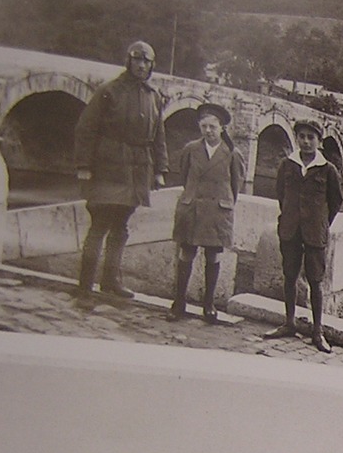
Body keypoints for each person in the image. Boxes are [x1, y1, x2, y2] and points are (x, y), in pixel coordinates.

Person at [73, 40, 167, 300]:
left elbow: (159, 135)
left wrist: (160, 169)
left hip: (137, 170)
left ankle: (111, 281)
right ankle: (85, 283)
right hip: (108, 167)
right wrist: (84, 166)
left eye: (147, 62)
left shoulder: (153, 96)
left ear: (151, 66)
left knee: (121, 226)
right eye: (137, 60)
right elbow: (86, 129)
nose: (141, 66)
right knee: (99, 224)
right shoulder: (109, 91)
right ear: (129, 62)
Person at [265, 118, 342, 353]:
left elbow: (335, 201)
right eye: (302, 137)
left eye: (311, 138)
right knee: (289, 276)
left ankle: (317, 331)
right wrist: (290, 217)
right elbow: (281, 194)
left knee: (315, 281)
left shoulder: (328, 170)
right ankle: (289, 323)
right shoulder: (287, 165)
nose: (306, 142)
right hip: (290, 230)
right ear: (296, 139)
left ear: (319, 141)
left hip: (314, 234)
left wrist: (319, 223)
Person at [170, 102, 244, 323]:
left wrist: (223, 205)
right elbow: (183, 177)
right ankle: (178, 302)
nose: (208, 131)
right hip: (192, 209)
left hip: (217, 214)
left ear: (222, 127)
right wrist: (192, 196)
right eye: (204, 127)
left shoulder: (232, 153)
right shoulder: (191, 149)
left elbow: (235, 186)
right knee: (186, 254)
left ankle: (209, 304)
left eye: (212, 127)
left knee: (213, 256)